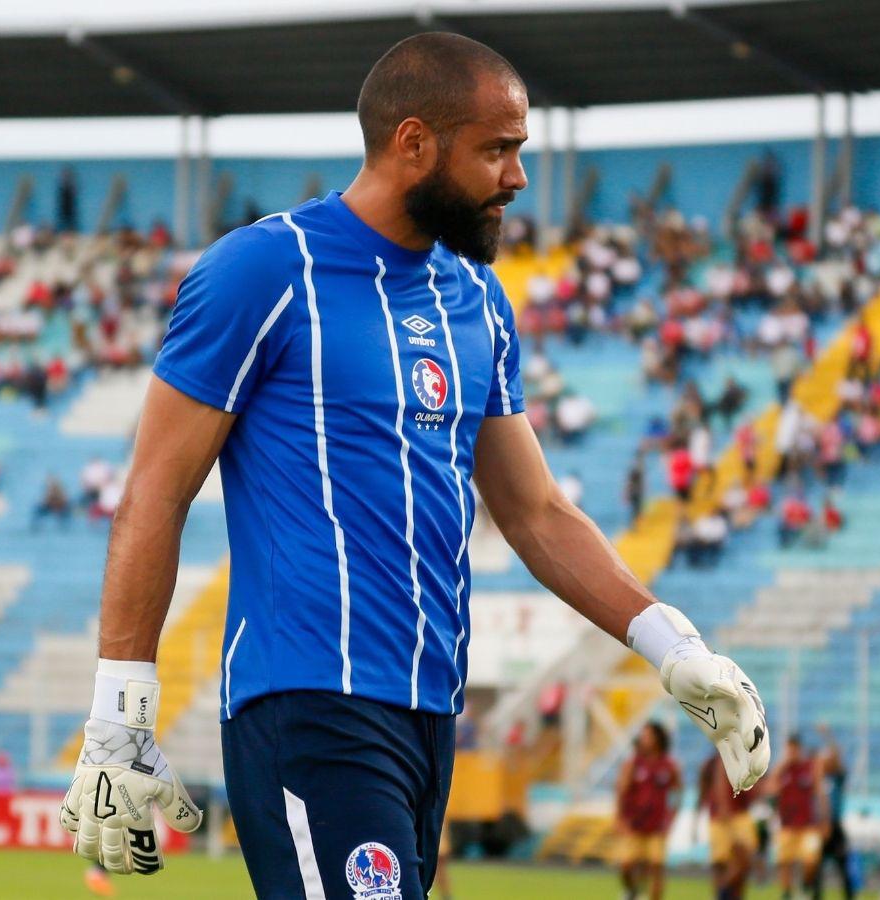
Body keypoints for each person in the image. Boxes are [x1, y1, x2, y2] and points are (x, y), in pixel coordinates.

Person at [60, 33, 770, 895]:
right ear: (413, 143)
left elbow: (536, 512)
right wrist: (119, 709)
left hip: (431, 713)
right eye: (497, 150)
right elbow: (154, 494)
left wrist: (674, 644)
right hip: (310, 701)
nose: (517, 177)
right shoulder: (264, 271)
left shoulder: (475, 299)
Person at [615, 722, 680, 900]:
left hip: (657, 826)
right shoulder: (633, 764)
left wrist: (671, 817)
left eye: (647, 735)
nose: (643, 739)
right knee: (626, 865)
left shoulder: (669, 765)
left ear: (657, 738)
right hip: (635, 824)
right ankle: (632, 891)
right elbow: (621, 791)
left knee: (657, 867)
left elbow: (677, 793)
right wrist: (619, 819)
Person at [699, 750, 761, 900]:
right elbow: (708, 788)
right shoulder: (712, 763)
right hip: (721, 818)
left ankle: (722, 894)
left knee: (742, 862)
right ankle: (723, 894)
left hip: (739, 814)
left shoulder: (746, 758)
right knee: (722, 864)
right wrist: (722, 806)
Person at [771, 734, 826, 899]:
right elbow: (770, 788)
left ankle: (804, 888)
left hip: (808, 825)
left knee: (811, 861)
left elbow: (820, 793)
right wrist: (782, 765)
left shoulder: (810, 767)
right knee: (785, 862)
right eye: (789, 749)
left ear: (799, 749)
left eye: (794, 749)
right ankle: (787, 894)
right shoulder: (783, 770)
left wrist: (824, 820)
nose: (792, 753)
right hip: (787, 825)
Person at [814, 728, 856, 899]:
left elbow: (837, 755)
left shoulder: (837, 778)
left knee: (843, 865)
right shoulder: (817, 782)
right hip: (820, 827)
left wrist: (828, 735)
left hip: (835, 826)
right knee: (816, 867)